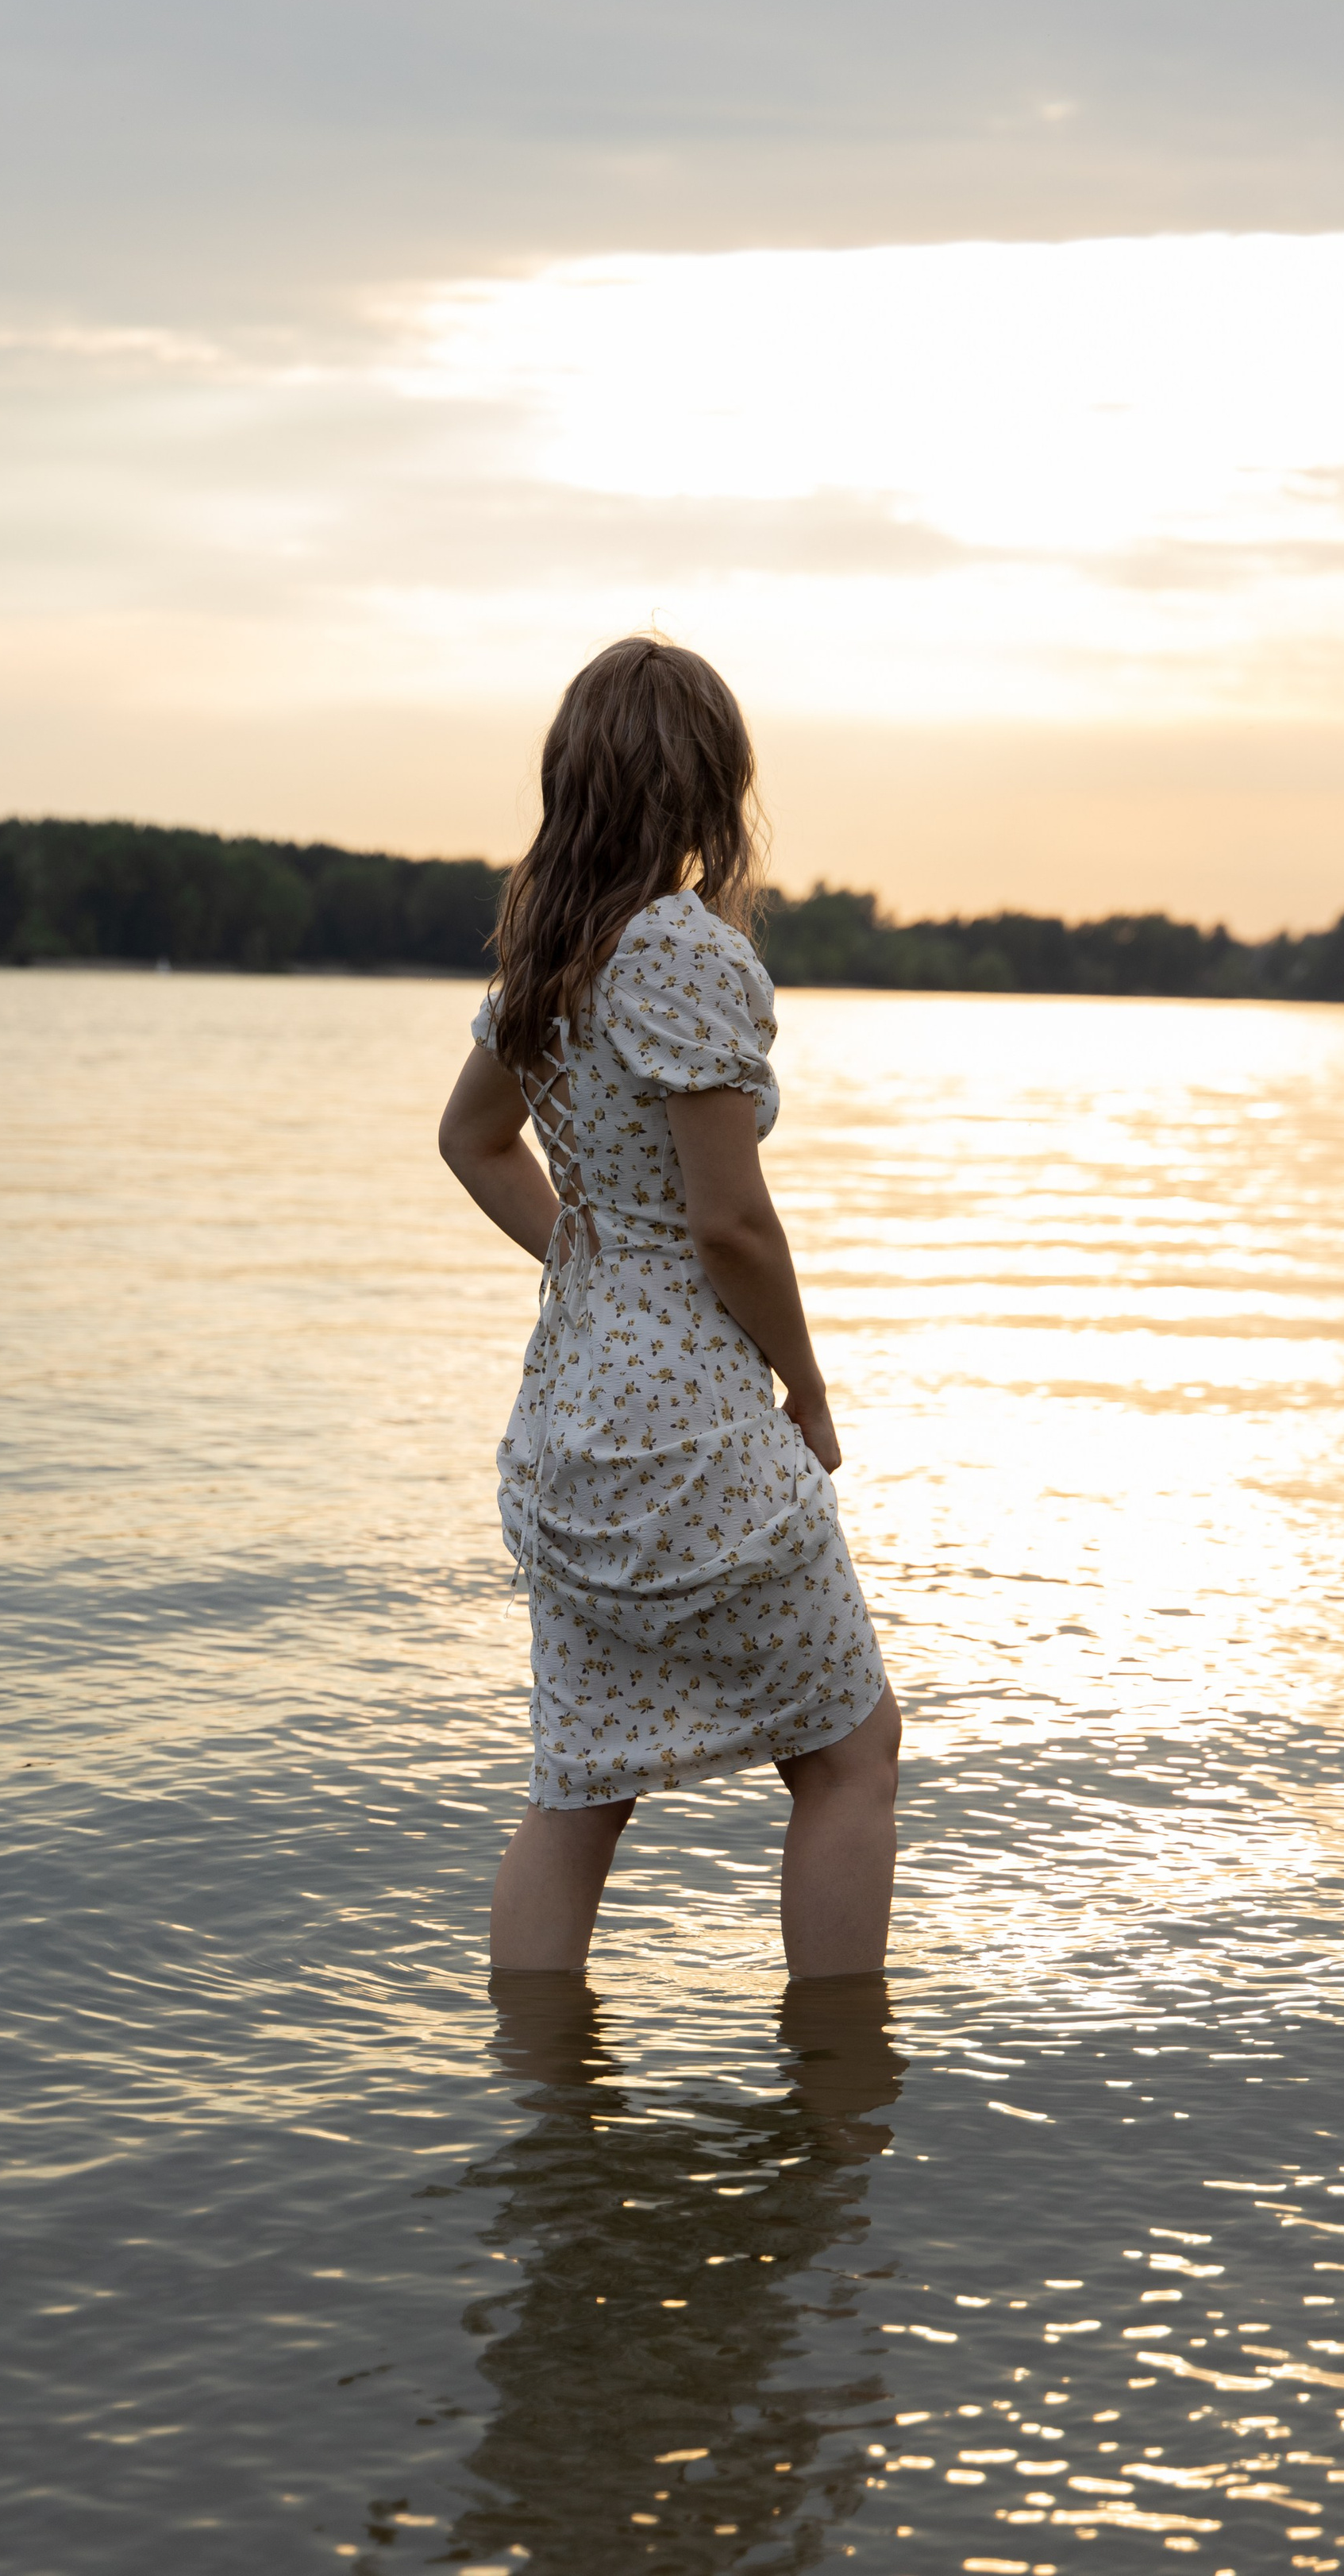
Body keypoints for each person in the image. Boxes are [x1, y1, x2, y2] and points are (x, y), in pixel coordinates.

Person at [438, 635, 900, 1979]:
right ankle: (833, 2105)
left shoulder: (550, 958)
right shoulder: (684, 952)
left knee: (579, 1790)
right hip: (686, 1436)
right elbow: (730, 1220)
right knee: (852, 1758)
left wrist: (586, 1261)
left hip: (567, 1430)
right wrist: (807, 1388)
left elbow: (473, 1141)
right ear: (711, 782)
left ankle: (539, 2115)